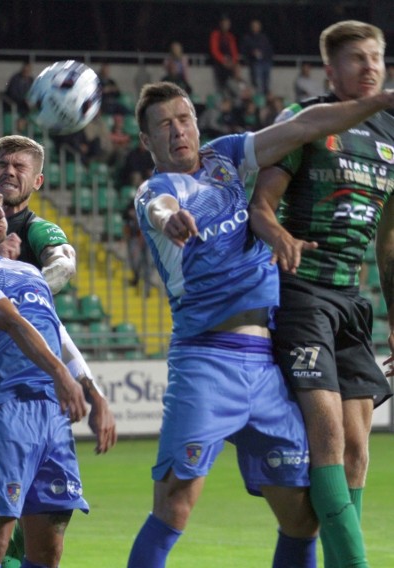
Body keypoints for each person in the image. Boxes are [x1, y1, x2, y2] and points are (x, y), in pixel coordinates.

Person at [126, 79, 394, 568]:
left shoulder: (228, 157)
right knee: (174, 506)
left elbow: (305, 126)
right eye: (163, 126)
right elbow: (155, 206)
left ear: (197, 121)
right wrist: (171, 220)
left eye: (183, 119)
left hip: (265, 364)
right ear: (147, 142)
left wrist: (378, 102)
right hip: (206, 359)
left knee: (302, 518)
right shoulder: (159, 189)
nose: (178, 131)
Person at [0, 136, 115, 567]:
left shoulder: (28, 269)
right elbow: (11, 320)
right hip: (4, 406)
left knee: (48, 546)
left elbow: (54, 328)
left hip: (52, 412)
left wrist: (93, 390)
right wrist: (61, 375)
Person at [249, 20, 394, 568]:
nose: (370, 67)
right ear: (331, 70)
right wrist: (282, 236)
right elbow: (259, 206)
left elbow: (390, 239)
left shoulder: (391, 136)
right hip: (302, 296)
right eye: (357, 58)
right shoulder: (304, 123)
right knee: (329, 442)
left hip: (352, 304)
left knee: (358, 453)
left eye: (377, 57)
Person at [240, 19, 274, 96]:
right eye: (253, 26)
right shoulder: (247, 38)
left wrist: (267, 57)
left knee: (267, 83)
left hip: (266, 62)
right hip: (255, 63)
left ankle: (266, 98)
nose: (255, 28)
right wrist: (252, 53)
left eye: (257, 26)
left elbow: (269, 49)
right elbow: (244, 50)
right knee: (258, 84)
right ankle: (259, 98)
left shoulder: (263, 37)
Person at [209, 15, 239, 94]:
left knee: (232, 87)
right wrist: (223, 60)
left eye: (227, 23)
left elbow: (234, 51)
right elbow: (214, 50)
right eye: (224, 23)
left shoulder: (230, 36)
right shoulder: (215, 34)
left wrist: (233, 62)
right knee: (220, 88)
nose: (226, 25)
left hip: (230, 66)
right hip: (219, 66)